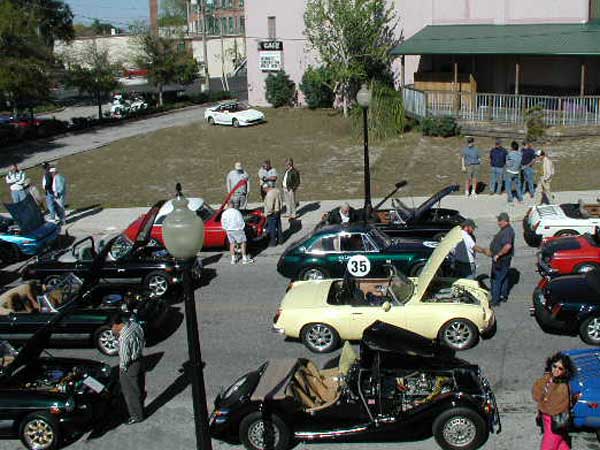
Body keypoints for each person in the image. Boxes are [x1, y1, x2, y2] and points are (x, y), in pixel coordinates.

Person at [532, 352, 575, 450]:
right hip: (552, 425)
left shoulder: (563, 387)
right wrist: (545, 380)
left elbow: (552, 409)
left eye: (560, 368)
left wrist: (543, 401)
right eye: (554, 366)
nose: (556, 370)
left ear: (565, 371)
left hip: (555, 426)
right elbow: (535, 393)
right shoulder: (550, 379)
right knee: (562, 446)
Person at [113, 316, 146, 425]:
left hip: (130, 366)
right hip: (140, 359)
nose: (112, 330)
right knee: (139, 387)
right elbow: (142, 338)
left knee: (130, 392)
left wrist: (122, 369)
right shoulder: (135, 326)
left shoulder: (124, 338)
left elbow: (124, 357)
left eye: (112, 327)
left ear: (117, 325)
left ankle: (136, 416)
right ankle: (140, 408)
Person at [488, 212, 515, 306]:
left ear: (504, 221)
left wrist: (498, 255)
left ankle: (495, 300)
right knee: (504, 277)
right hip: (504, 259)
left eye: (500, 220)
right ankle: (504, 295)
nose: (498, 222)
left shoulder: (507, 232)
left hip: (501, 260)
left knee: (496, 280)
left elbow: (507, 246)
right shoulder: (506, 230)